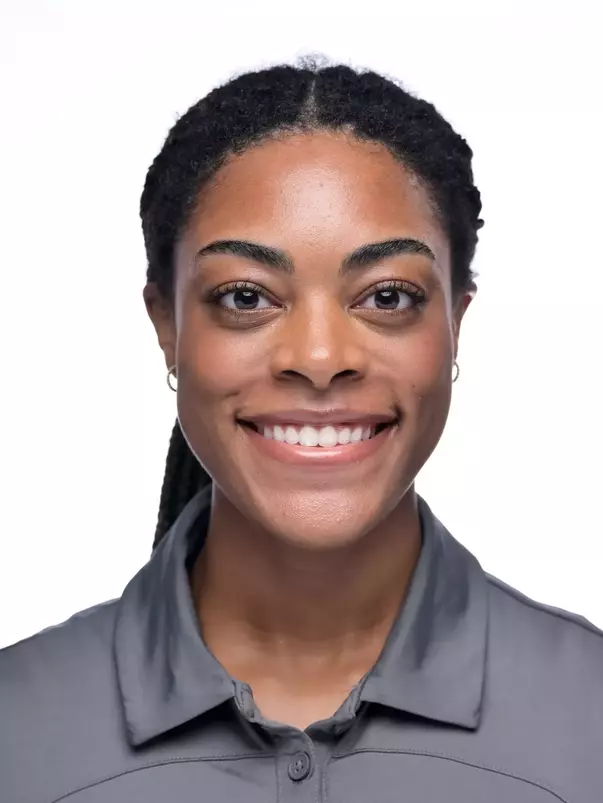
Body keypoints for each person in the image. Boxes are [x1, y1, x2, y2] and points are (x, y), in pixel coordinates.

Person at [1, 59, 601, 803]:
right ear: (167, 326)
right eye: (246, 296)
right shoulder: (16, 730)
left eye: (386, 295)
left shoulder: (589, 714)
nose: (319, 359)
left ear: (455, 322)